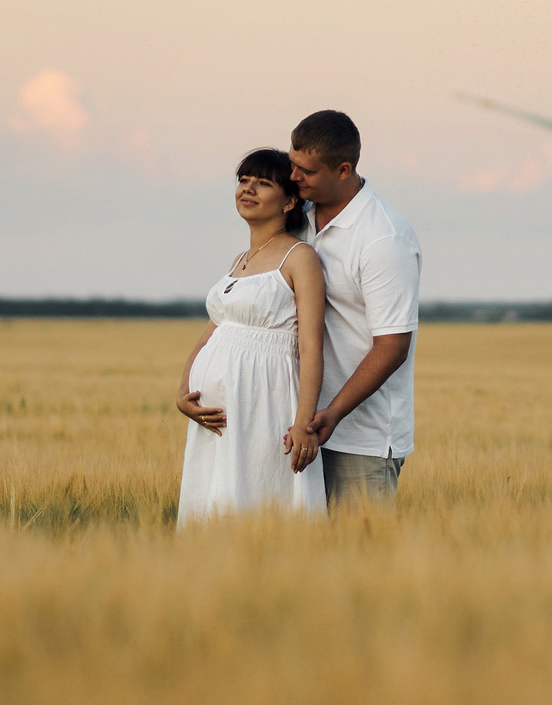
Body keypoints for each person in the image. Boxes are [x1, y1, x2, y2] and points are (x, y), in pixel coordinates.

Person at [173, 148, 327, 524]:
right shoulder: (238, 260)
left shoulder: (299, 257)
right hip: (219, 420)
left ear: (290, 200)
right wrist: (183, 393)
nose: (248, 189)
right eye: (244, 180)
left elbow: (310, 346)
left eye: (262, 183)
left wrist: (304, 422)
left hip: (264, 404)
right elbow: (212, 333)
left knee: (257, 498)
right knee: (214, 503)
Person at [287, 110, 421, 510]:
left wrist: (335, 412)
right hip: (296, 428)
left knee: (362, 565)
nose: (292, 177)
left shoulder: (383, 238)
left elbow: (393, 345)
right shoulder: (298, 219)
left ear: (343, 169)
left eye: (306, 171)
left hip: (362, 437)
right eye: (291, 164)